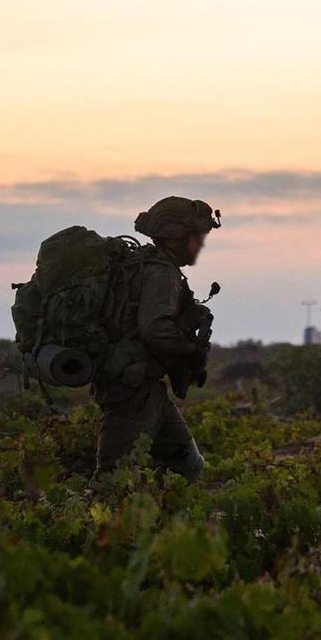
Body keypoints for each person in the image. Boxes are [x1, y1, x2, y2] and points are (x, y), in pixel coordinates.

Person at [92, 196, 220, 481]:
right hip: (133, 392)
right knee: (113, 480)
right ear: (176, 238)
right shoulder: (161, 273)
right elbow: (155, 329)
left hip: (147, 391)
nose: (200, 244)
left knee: (188, 467)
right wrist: (190, 353)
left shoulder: (146, 266)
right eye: (196, 237)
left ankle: (158, 523)